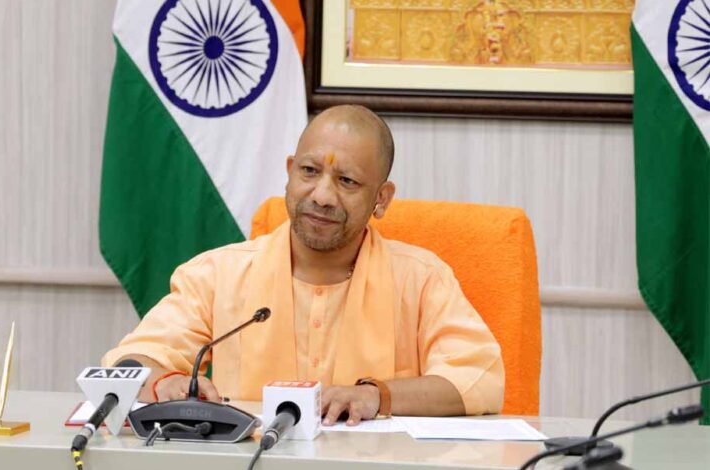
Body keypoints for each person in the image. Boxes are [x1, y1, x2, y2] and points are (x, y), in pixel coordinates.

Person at [102, 105, 504, 425]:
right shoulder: (217, 275)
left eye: (347, 181)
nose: (322, 196)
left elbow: (479, 380)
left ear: (382, 199)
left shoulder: (421, 279)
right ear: (289, 172)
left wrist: (376, 396)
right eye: (309, 172)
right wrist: (165, 381)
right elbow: (132, 359)